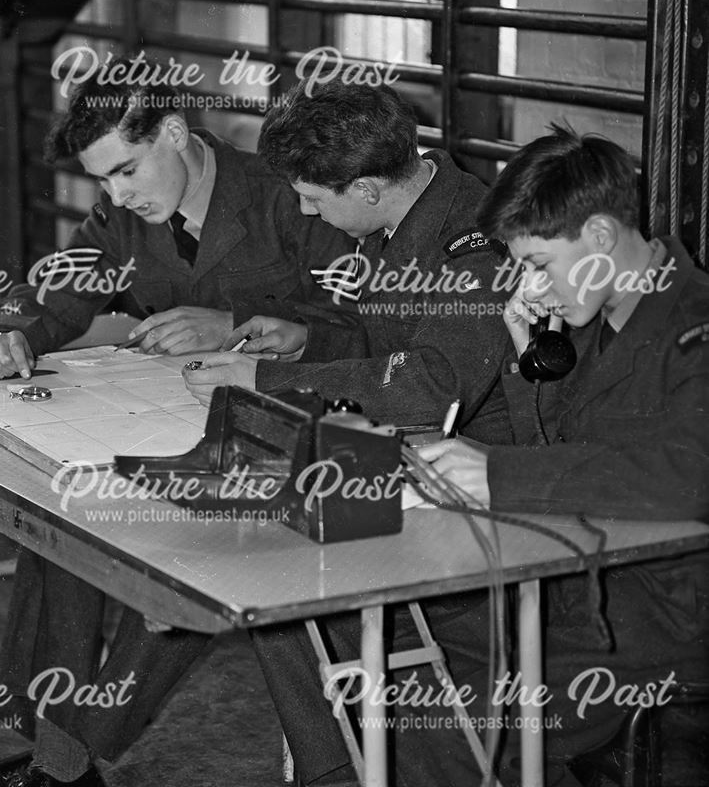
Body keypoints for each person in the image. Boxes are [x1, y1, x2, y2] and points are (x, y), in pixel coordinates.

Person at [243, 126, 709, 787]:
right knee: (304, 614)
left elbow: (688, 478)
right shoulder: (596, 313)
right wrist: (527, 357)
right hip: (562, 586)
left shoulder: (690, 325)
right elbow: (560, 451)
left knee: (419, 728)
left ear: (601, 238)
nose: (528, 282)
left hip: (648, 622)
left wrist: (492, 472)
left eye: (539, 264)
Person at [0, 63, 353, 787]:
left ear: (173, 133)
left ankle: (69, 760)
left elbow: (357, 324)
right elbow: (53, 290)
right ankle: (55, 748)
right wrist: (5, 333)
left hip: (295, 424)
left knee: (167, 557)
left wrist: (232, 326)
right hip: (176, 419)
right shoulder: (124, 213)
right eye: (102, 182)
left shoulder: (282, 194)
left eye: (126, 172)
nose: (117, 195)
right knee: (61, 523)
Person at [183, 77, 516, 786]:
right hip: (410, 450)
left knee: (268, 557)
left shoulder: (472, 239)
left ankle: (334, 770)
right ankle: (334, 763)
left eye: (311, 197)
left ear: (365, 188)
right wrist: (305, 341)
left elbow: (430, 383)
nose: (304, 209)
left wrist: (267, 383)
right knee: (237, 531)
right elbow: (385, 344)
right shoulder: (407, 212)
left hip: (475, 471)